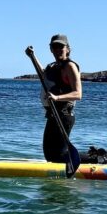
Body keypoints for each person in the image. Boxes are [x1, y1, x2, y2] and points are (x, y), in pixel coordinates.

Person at [25, 34, 82, 163]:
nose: (57, 50)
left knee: (59, 156)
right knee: (50, 156)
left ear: (67, 49)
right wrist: (32, 57)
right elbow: (43, 75)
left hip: (64, 115)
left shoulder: (70, 66)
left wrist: (57, 97)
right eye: (54, 46)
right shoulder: (53, 66)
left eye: (60, 46)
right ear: (51, 49)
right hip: (53, 115)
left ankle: (98, 157)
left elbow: (78, 94)